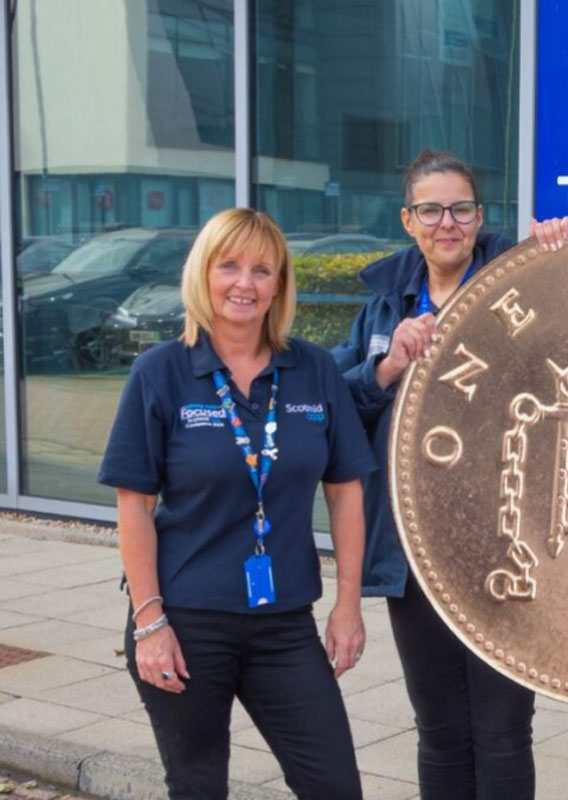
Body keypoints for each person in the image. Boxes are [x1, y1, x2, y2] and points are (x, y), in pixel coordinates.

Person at [98, 208, 376, 800]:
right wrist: (150, 625)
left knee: (335, 786)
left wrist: (349, 606)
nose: (244, 283)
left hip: (284, 623)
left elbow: (346, 491)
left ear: (279, 285)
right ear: (204, 274)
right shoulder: (161, 372)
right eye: (229, 266)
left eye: (261, 270)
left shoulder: (313, 369)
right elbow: (134, 506)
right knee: (198, 787)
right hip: (186, 620)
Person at [331, 149, 568, 799]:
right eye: (431, 210)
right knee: (438, 729)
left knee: (502, 731)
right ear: (408, 220)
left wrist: (559, 263)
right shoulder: (383, 308)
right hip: (416, 550)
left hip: (508, 547)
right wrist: (387, 369)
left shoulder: (518, 280)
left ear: (480, 216)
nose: (448, 223)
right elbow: (332, 406)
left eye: (461, 209)